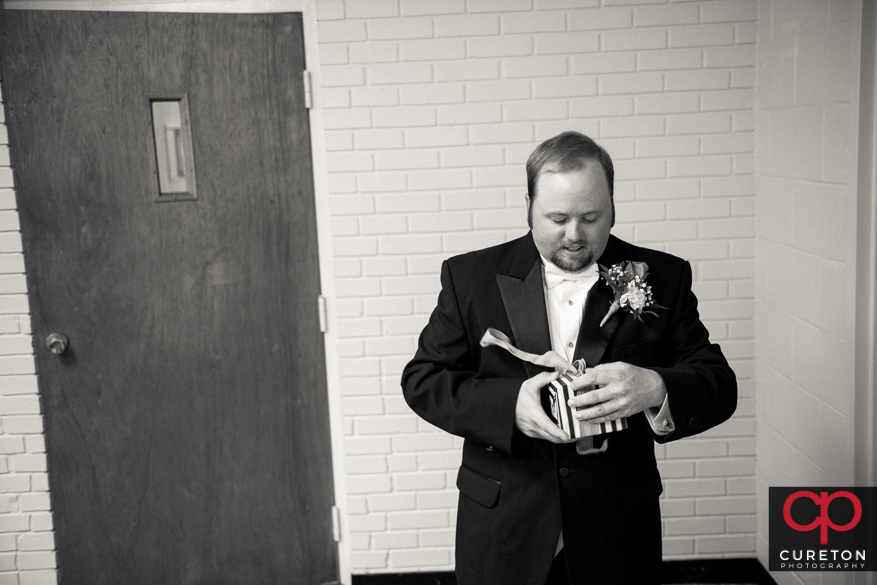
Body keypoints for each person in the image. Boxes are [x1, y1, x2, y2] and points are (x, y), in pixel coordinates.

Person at [401, 131, 737, 585]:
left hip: (616, 532)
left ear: (613, 205)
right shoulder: (469, 277)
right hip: (504, 528)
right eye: (557, 218)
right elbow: (424, 379)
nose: (575, 236)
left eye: (591, 217)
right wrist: (508, 407)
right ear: (529, 205)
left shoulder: (664, 277)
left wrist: (655, 388)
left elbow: (718, 383)